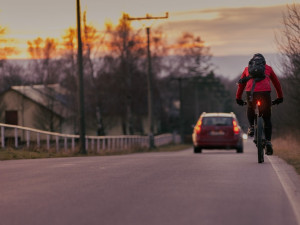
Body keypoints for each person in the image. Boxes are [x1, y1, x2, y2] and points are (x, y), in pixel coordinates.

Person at [236, 53, 283, 155]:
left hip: (250, 93)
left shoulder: (247, 69)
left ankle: (252, 127)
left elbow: (241, 85)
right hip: (265, 93)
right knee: (267, 118)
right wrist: (280, 97)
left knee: (250, 107)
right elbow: (276, 83)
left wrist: (238, 98)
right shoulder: (268, 68)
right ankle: (268, 142)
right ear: (263, 62)